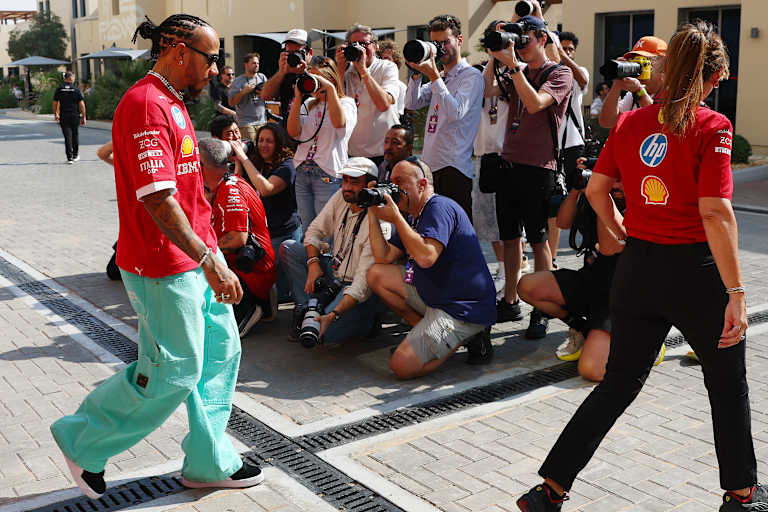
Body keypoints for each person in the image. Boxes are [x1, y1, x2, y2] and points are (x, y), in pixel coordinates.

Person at [515, 21, 768, 512]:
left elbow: (595, 189)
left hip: (638, 270)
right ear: (714, 78)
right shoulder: (714, 126)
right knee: (727, 383)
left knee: (617, 385)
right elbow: (716, 212)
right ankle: (741, 493)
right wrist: (737, 291)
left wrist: (620, 232)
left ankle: (550, 490)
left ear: (669, 69)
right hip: (695, 273)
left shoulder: (631, 123)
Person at [49, 14, 263, 499]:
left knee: (221, 353)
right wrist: (210, 262)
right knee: (173, 371)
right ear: (180, 50)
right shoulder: (146, 105)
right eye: (212, 59)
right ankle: (81, 439)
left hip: (196, 259)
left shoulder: (172, 102)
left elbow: (189, 197)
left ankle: (209, 462)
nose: (216, 70)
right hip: (162, 266)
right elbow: (159, 199)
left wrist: (213, 256)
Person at [367, 158, 496, 378]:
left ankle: (465, 335)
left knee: (401, 365)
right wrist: (372, 211)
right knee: (377, 275)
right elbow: (383, 257)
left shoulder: (439, 207)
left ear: (422, 184)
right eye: (391, 182)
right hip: (435, 296)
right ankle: (426, 333)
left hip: (461, 309)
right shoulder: (412, 215)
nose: (394, 188)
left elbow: (427, 257)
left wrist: (396, 219)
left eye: (400, 182)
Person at [484, 15, 573, 337]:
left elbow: (535, 104)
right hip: (509, 164)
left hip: (538, 167)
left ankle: (543, 306)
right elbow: (490, 89)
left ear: (543, 39)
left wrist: (515, 67)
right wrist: (497, 55)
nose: (521, 45)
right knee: (510, 238)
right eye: (517, 39)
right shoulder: (515, 70)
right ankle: (510, 300)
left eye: (526, 39)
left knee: (538, 241)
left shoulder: (559, 73)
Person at [279, 157, 385, 345]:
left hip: (357, 288)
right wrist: (313, 263)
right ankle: (306, 308)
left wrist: (334, 314)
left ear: (371, 185)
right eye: (345, 180)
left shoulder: (381, 219)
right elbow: (314, 230)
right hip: (335, 272)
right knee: (289, 248)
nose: (347, 187)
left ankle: (368, 321)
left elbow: (362, 284)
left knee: (324, 333)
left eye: (354, 182)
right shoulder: (341, 197)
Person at [405, 14, 483, 223]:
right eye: (436, 44)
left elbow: (456, 113)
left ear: (459, 40)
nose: (441, 48)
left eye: (445, 42)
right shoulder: (441, 77)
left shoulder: (471, 76)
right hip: (430, 167)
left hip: (454, 168)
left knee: (456, 235)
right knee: (432, 232)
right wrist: (415, 73)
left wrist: (434, 77)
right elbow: (411, 103)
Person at [199, 138, 277, 336]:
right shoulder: (224, 183)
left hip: (248, 274)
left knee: (218, 335)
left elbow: (237, 239)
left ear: (200, 165)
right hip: (241, 269)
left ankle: (255, 303)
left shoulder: (229, 190)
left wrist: (201, 254)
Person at [287, 56, 356, 230]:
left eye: (317, 78)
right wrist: (298, 98)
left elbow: (339, 124)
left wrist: (330, 90)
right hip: (303, 170)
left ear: (331, 78)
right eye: (310, 78)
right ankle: (312, 258)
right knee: (309, 228)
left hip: (328, 171)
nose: (313, 84)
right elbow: (293, 132)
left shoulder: (346, 103)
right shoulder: (308, 104)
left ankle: (326, 258)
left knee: (327, 228)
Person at [238, 123, 301, 302]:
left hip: (283, 234)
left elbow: (266, 188)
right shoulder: (257, 163)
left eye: (269, 141)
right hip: (262, 234)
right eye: (260, 140)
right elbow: (238, 186)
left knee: (281, 293)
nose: (263, 145)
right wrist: (238, 161)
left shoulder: (288, 166)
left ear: (279, 143)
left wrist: (244, 159)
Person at [549, 31, 589, 272]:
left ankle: (587, 248)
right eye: (561, 47)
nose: (565, 52)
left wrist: (562, 55)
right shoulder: (546, 73)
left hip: (574, 145)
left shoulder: (576, 72)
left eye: (570, 48)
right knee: (554, 205)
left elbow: (583, 81)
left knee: (581, 200)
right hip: (550, 147)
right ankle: (552, 258)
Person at [336, 24, 400, 166]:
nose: (361, 49)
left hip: (383, 154)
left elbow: (384, 104)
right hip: (353, 153)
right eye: (355, 45)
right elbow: (336, 104)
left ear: (376, 46)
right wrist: (339, 69)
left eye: (365, 44)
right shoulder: (346, 72)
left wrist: (364, 71)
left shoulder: (387, 67)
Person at [598, 36, 666, 129]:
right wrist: (617, 84)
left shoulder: (674, 92)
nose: (638, 65)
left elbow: (658, 124)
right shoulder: (633, 93)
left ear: (663, 63)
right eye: (634, 59)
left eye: (645, 60)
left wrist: (639, 91)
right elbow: (607, 122)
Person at [261, 28, 313, 123]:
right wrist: (281, 72)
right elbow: (265, 96)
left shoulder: (318, 69)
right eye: (290, 53)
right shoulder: (285, 73)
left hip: (314, 130)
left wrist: (304, 73)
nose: (294, 57)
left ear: (310, 53)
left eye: (297, 53)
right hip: (289, 130)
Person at [229, 52, 267, 141]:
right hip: (246, 123)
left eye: (257, 63)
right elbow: (231, 103)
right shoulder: (238, 82)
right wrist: (243, 92)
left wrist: (262, 92)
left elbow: (269, 96)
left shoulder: (262, 77)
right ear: (246, 65)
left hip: (262, 121)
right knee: (252, 149)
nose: (256, 65)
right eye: (253, 63)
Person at [53, 71, 86, 164]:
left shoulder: (59, 89)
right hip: (75, 115)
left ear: (65, 78)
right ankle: (75, 155)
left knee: (67, 137)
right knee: (75, 135)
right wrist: (84, 117)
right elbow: (82, 105)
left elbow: (55, 103)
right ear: (72, 79)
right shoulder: (76, 90)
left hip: (64, 116)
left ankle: (69, 158)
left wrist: (56, 113)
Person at [376, 39, 408, 121]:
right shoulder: (371, 82)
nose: (383, 62)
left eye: (387, 58)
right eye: (381, 58)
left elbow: (399, 114)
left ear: (395, 61)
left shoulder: (401, 87)